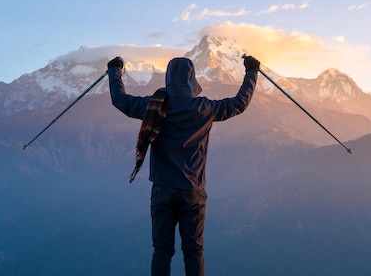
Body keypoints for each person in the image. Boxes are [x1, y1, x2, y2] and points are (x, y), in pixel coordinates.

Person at [107, 55, 260, 276]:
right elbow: (239, 104)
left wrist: (115, 70)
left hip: (162, 189)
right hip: (193, 190)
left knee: (161, 250)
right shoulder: (205, 109)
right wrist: (251, 72)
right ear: (192, 79)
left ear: (168, 79)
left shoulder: (154, 106)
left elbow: (120, 100)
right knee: (193, 250)